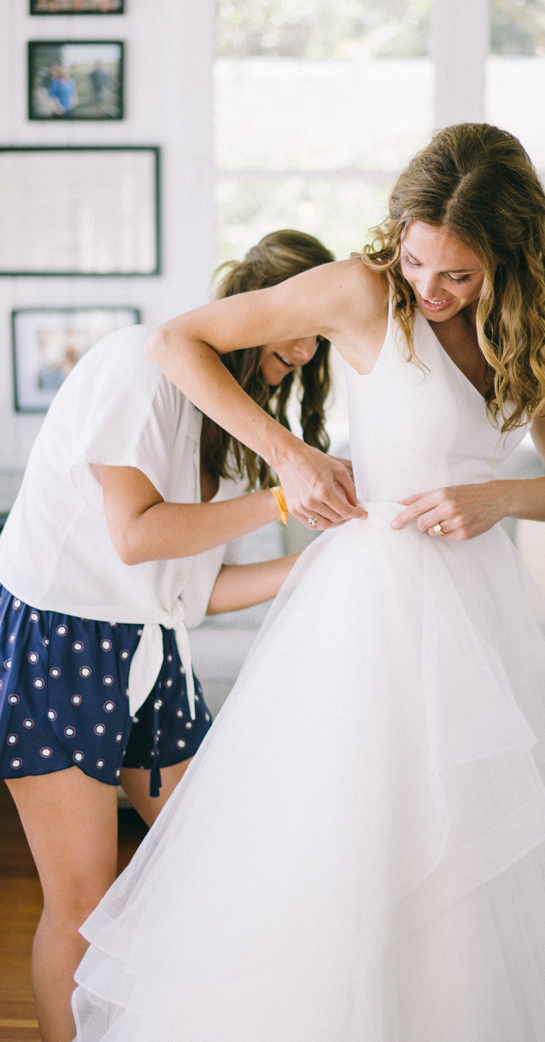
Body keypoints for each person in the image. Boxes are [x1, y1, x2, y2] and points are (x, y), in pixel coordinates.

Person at [72, 125, 545, 1041]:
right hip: (369, 611)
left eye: (458, 275)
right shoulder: (359, 290)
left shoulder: (524, 335)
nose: (431, 288)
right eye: (420, 261)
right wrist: (290, 456)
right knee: (351, 840)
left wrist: (497, 498)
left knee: (471, 856)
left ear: (507, 260)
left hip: (477, 613)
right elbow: (176, 341)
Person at [0, 230, 337, 1042]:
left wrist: (326, 563)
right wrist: (287, 499)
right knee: (82, 898)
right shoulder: (133, 367)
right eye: (299, 335)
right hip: (59, 643)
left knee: (214, 860)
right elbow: (138, 538)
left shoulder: (221, 425)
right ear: (257, 306)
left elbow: (190, 591)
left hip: (148, 650)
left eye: (312, 350)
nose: (300, 354)